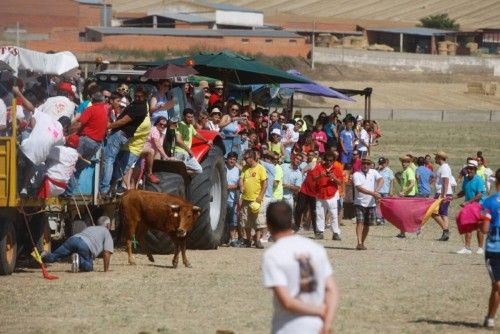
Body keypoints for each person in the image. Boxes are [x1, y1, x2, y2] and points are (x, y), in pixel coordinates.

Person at [262, 201, 339, 334]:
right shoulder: (316, 248)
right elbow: (331, 290)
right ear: (291, 221)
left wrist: (319, 310)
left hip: (288, 328)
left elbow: (288, 303)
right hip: (318, 327)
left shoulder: (272, 255)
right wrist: (327, 322)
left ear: (268, 225)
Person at [100, 86, 148, 196]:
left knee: (108, 159)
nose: (136, 97)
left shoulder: (140, 108)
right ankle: (110, 187)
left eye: (139, 96)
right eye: (136, 95)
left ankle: (104, 188)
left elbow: (124, 121)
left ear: (145, 97)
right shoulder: (137, 104)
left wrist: (108, 126)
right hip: (122, 135)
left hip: (120, 133)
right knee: (112, 160)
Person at [44, 216, 113, 272]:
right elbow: (107, 252)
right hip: (85, 245)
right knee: (88, 267)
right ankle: (79, 261)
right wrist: (106, 270)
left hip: (73, 239)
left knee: (54, 256)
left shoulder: (90, 227)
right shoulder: (106, 232)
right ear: (108, 225)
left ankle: (41, 256)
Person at [479, 168, 500, 329]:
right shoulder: (489, 202)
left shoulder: (489, 202)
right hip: (495, 249)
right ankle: (490, 317)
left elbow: (484, 229)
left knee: (497, 286)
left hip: (493, 249)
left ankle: (490, 317)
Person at [455, 160, 487, 255]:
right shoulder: (465, 179)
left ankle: (480, 248)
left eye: (471, 168)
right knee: (468, 225)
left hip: (480, 205)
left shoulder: (479, 180)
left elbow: (479, 195)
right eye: (468, 168)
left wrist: (468, 202)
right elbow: (464, 191)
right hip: (470, 206)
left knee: (479, 227)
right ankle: (467, 248)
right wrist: (453, 197)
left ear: (475, 169)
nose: (469, 170)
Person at [311, 151, 343, 241]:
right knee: (319, 214)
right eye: (327, 160)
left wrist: (334, 178)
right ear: (324, 160)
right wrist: (320, 176)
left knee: (333, 214)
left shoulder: (337, 169)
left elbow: (340, 182)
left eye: (331, 160)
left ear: (333, 161)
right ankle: (320, 232)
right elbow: (313, 178)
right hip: (320, 194)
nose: (328, 162)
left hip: (332, 194)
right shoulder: (319, 167)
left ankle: (335, 233)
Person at [353, 158, 383, 250]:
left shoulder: (374, 172)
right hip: (359, 202)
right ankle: (359, 242)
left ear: (370, 165)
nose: (366, 165)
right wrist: (373, 193)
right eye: (364, 164)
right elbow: (359, 188)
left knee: (367, 224)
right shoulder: (356, 174)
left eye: (367, 164)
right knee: (360, 222)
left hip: (371, 203)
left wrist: (376, 190)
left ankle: (362, 242)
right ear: (361, 164)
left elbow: (381, 179)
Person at [240, 149, 267, 248]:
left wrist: (260, 196)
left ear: (252, 158)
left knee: (258, 221)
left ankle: (258, 240)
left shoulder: (260, 168)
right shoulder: (245, 168)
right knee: (246, 220)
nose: (245, 160)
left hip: (256, 200)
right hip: (246, 199)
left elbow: (265, 184)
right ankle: (247, 240)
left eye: (246, 158)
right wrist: (241, 186)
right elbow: (241, 179)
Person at [174, 108, 212, 175]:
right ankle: (180, 171)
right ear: (184, 116)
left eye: (192, 117)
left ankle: (182, 172)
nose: (190, 119)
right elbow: (178, 140)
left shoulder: (190, 126)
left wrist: (206, 141)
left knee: (199, 170)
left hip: (187, 153)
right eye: (188, 117)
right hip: (180, 152)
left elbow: (196, 134)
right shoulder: (180, 125)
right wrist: (189, 150)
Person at [142, 116, 171, 183]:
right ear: (156, 123)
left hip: (146, 155)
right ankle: (150, 174)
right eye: (161, 124)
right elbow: (158, 145)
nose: (163, 126)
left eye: (165, 125)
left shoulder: (159, 132)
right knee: (152, 152)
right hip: (143, 154)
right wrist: (165, 156)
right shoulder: (155, 130)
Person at [432, 151, 453, 241]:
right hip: (444, 192)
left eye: (436, 157)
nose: (435, 158)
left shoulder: (444, 168)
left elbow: (446, 181)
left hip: (442, 193)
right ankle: (445, 233)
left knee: (433, 212)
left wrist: (443, 195)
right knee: (443, 213)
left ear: (439, 157)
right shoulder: (444, 167)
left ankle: (446, 230)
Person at [396, 155, 417, 238]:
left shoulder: (409, 171)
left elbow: (412, 183)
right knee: (403, 214)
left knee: (406, 215)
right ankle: (402, 232)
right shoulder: (404, 171)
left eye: (406, 162)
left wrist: (403, 191)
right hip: (405, 195)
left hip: (409, 196)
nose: (404, 163)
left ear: (409, 163)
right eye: (403, 162)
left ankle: (411, 230)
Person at [225, 152, 241, 247]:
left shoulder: (237, 170)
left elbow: (240, 185)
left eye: (234, 159)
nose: (232, 161)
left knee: (232, 220)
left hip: (232, 198)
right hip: (221, 197)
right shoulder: (222, 167)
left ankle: (232, 239)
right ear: (227, 159)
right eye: (230, 159)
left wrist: (229, 187)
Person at [375, 157, 394, 225]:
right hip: (378, 191)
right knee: (377, 205)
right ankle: (378, 218)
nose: (381, 165)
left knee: (384, 206)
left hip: (385, 191)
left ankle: (383, 218)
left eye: (382, 163)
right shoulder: (376, 171)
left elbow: (391, 181)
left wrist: (391, 190)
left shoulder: (389, 171)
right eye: (380, 163)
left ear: (385, 163)